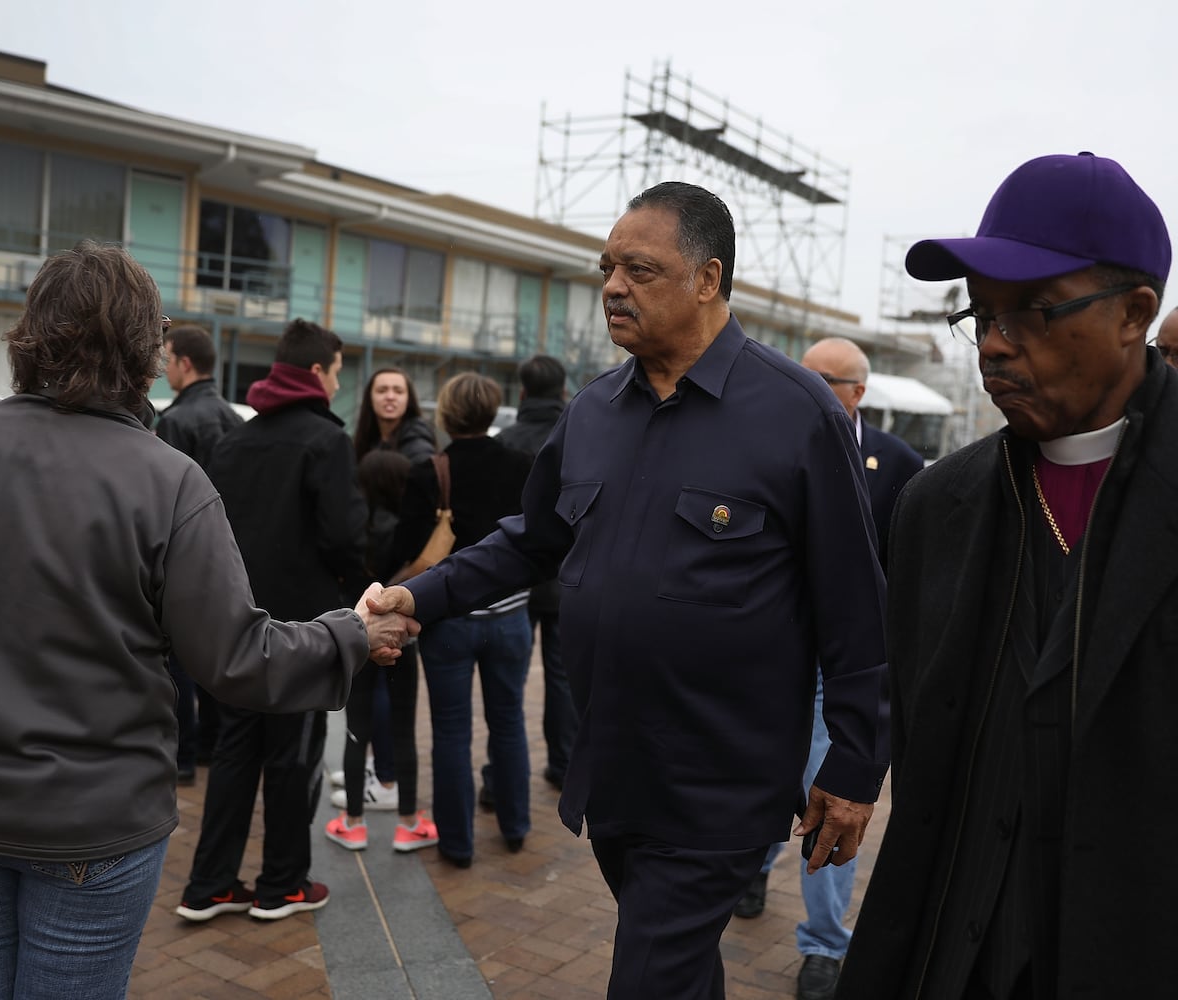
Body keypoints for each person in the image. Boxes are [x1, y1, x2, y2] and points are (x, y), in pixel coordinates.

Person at [368, 181, 889, 999]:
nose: (612, 285)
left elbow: (857, 610)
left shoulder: (798, 414)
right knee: (674, 967)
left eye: (640, 269)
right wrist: (421, 596)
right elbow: (529, 540)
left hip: (717, 780)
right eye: (607, 267)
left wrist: (856, 768)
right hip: (614, 771)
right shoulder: (595, 412)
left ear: (708, 279)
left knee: (649, 974)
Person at [0, 241, 412, 999]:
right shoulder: (166, 478)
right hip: (90, 817)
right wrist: (353, 633)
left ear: (31, 333)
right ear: (146, 348)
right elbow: (236, 659)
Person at [837, 152, 1176, 1000]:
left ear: (1136, 314)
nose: (994, 341)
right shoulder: (933, 508)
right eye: (981, 313)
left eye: (1033, 310)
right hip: (958, 945)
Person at [733, 336, 922, 1000]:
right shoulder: (767, 444)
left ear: (857, 392)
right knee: (764, 775)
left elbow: (908, 574)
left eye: (821, 378)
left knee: (828, 790)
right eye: (800, 374)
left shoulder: (899, 466)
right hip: (769, 655)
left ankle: (822, 945)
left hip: (841, 670)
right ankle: (754, 866)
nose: (803, 386)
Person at [178, 318, 369, 923]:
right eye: (338, 371)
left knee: (234, 752)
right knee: (292, 755)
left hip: (238, 622)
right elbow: (343, 536)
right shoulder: (327, 441)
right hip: (304, 626)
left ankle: (208, 885)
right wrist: (352, 588)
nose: (340, 383)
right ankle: (283, 883)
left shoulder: (235, 440)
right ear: (317, 372)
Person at [384, 372, 534, 868]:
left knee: (451, 730)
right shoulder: (520, 464)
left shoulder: (432, 470)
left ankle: (457, 843)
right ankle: (515, 825)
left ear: (446, 413)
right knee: (509, 720)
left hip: (449, 616)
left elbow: (405, 544)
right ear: (492, 411)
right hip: (511, 614)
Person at [324, 449, 439, 853]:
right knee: (404, 728)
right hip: (403, 637)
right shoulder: (409, 531)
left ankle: (353, 822)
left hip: (359, 634)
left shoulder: (352, 531)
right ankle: (409, 822)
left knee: (357, 729)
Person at [480, 354, 574, 808]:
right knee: (561, 677)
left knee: (507, 686)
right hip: (567, 578)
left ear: (521, 393)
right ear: (561, 392)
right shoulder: (579, 433)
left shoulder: (506, 440)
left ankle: (500, 776)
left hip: (514, 580)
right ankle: (563, 764)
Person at [154, 322, 244, 784]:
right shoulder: (234, 418)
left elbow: (162, 501)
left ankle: (184, 758)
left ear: (185, 364)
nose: (163, 368)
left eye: (167, 358)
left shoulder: (173, 421)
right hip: (226, 555)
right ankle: (210, 746)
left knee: (178, 666)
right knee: (216, 653)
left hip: (179, 558)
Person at [344, 366, 437, 808]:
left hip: (400, 581)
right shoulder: (365, 440)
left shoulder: (416, 445)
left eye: (398, 389)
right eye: (381, 389)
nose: (389, 397)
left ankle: (384, 777)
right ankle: (375, 774)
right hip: (375, 579)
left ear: (408, 397)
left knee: (384, 687)